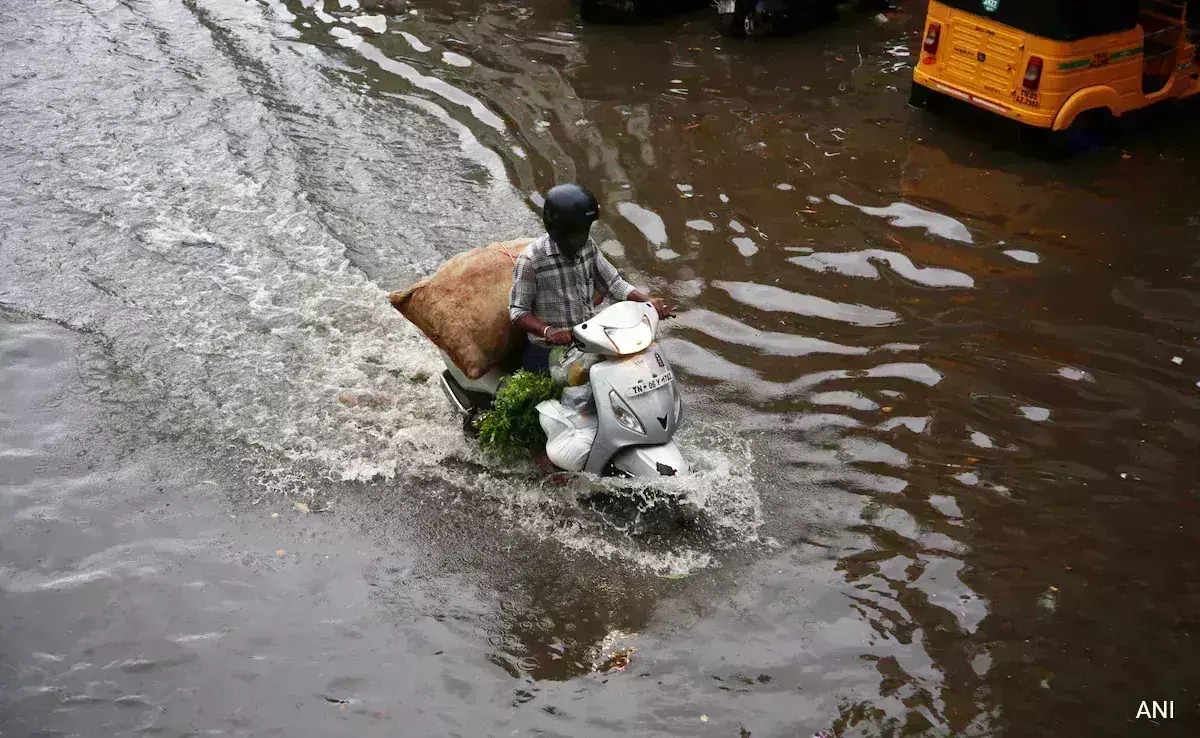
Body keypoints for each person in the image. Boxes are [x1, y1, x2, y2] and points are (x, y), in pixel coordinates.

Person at [509, 183, 671, 372]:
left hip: (589, 341)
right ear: (559, 230)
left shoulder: (588, 245)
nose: (582, 239)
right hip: (548, 352)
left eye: (585, 231)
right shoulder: (531, 260)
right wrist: (548, 331)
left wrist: (648, 301)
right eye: (576, 234)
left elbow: (612, 283)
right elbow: (517, 312)